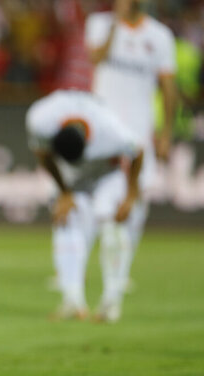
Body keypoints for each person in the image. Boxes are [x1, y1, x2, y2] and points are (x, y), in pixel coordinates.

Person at [85, 0, 177, 314]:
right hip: (103, 133)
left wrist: (166, 133)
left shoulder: (161, 36)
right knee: (103, 207)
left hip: (139, 131)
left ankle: (119, 274)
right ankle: (105, 283)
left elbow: (168, 86)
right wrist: (115, 27)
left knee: (135, 204)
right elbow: (95, 58)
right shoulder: (100, 25)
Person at [26, 90, 143, 322]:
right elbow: (43, 155)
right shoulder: (41, 119)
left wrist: (131, 195)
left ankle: (111, 302)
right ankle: (72, 300)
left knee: (111, 222)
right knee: (64, 218)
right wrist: (65, 192)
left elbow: (138, 152)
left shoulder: (110, 130)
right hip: (71, 176)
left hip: (106, 173)